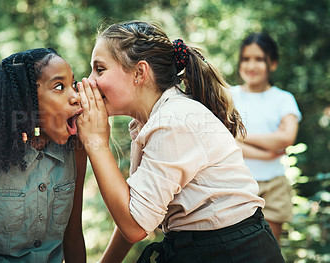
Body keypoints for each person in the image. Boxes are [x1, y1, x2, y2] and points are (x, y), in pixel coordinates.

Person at [76, 21, 284, 262]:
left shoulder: (174, 120)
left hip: (233, 252)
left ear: (139, 73)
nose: (89, 81)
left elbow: (134, 227)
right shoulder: (152, 120)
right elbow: (136, 208)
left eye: (99, 69)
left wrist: (96, 143)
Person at [0, 48, 86, 262]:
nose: (76, 97)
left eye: (73, 85)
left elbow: (74, 239)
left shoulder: (76, 153)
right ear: (26, 100)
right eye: (59, 86)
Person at [231, 33, 301, 241]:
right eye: (246, 58)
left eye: (259, 59)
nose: (251, 65)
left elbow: (287, 137)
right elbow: (223, 141)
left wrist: (241, 135)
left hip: (274, 186)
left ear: (273, 63)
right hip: (236, 183)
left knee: (269, 249)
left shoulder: (283, 99)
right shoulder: (228, 95)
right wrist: (266, 152)